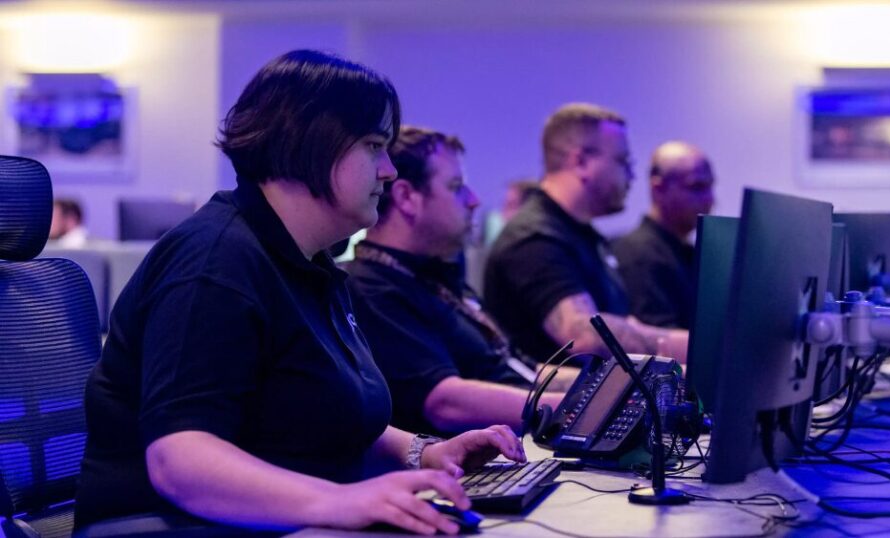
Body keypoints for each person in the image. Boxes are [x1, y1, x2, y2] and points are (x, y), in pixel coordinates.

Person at [75, 50, 523, 536]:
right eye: (374, 146)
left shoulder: (309, 264)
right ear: (312, 143)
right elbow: (180, 458)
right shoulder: (216, 262)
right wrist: (340, 501)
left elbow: (323, 418)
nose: (389, 171)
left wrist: (425, 453)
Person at [347, 126, 569, 436]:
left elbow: (516, 370)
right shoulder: (370, 288)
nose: (474, 200)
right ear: (407, 197)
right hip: (467, 470)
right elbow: (445, 402)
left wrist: (608, 387)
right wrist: (576, 407)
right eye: (456, 187)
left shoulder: (434, 276)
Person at [483, 103, 689, 363]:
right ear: (580, 162)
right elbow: (583, 336)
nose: (632, 175)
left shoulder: (583, 235)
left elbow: (627, 326)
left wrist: (707, 347)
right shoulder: (533, 239)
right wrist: (698, 351)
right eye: (622, 161)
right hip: (554, 402)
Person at [612, 141, 715, 329]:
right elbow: (658, 343)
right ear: (658, 188)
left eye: (710, 186)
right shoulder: (637, 254)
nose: (710, 198)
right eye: (696, 187)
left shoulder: (689, 253)